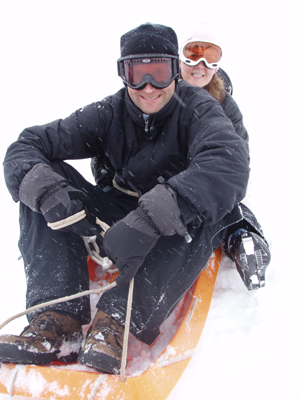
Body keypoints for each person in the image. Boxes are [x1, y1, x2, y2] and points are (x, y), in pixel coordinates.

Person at [0, 23, 259, 375]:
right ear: (124, 74)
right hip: (120, 207)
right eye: (138, 74)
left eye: (159, 72)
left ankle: (116, 320)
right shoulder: (110, 111)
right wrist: (50, 194)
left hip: (170, 219)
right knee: (42, 177)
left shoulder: (198, 108)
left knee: (210, 209)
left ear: (173, 71)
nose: (148, 86)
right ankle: (57, 319)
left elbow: (229, 163)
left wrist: (151, 217)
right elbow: (28, 145)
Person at [179, 26, 271, 289]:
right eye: (192, 55)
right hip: (158, 178)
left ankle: (242, 238)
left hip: (203, 181)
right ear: (179, 58)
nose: (200, 64)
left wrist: (220, 187)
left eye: (210, 57)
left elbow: (238, 159)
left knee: (222, 203)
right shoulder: (158, 92)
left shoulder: (226, 107)